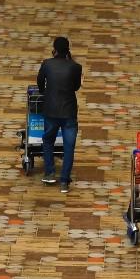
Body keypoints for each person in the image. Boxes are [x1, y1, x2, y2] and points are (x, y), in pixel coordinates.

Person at [36, 37, 82, 194]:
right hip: (69, 112)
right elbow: (76, 87)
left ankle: (49, 173)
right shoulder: (76, 67)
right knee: (69, 147)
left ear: (54, 49)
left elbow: (40, 82)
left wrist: (45, 92)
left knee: (48, 140)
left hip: (51, 110)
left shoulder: (47, 64)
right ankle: (64, 181)